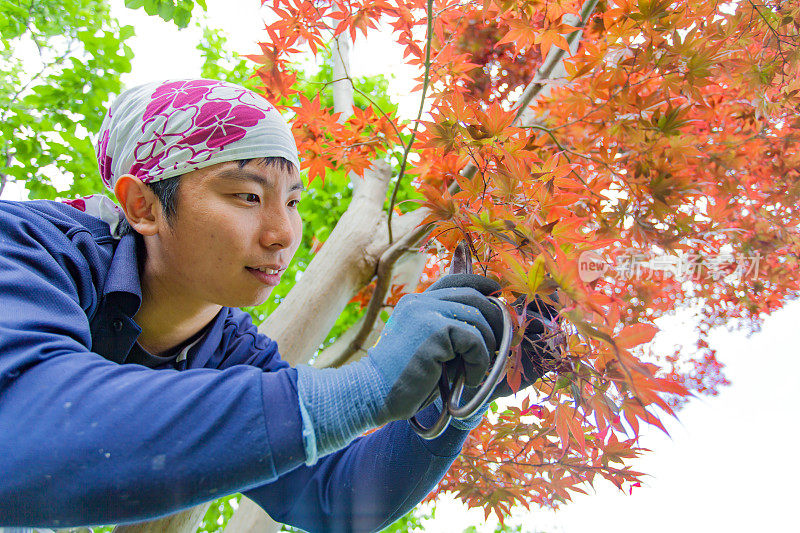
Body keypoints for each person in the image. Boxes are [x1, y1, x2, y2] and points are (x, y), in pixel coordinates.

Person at [0, 79, 555, 532]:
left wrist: (462, 393)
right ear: (142, 204)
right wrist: (363, 387)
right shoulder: (28, 248)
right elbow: (20, 421)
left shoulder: (231, 350)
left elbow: (339, 498)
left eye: (291, 201)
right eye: (247, 195)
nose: (282, 234)